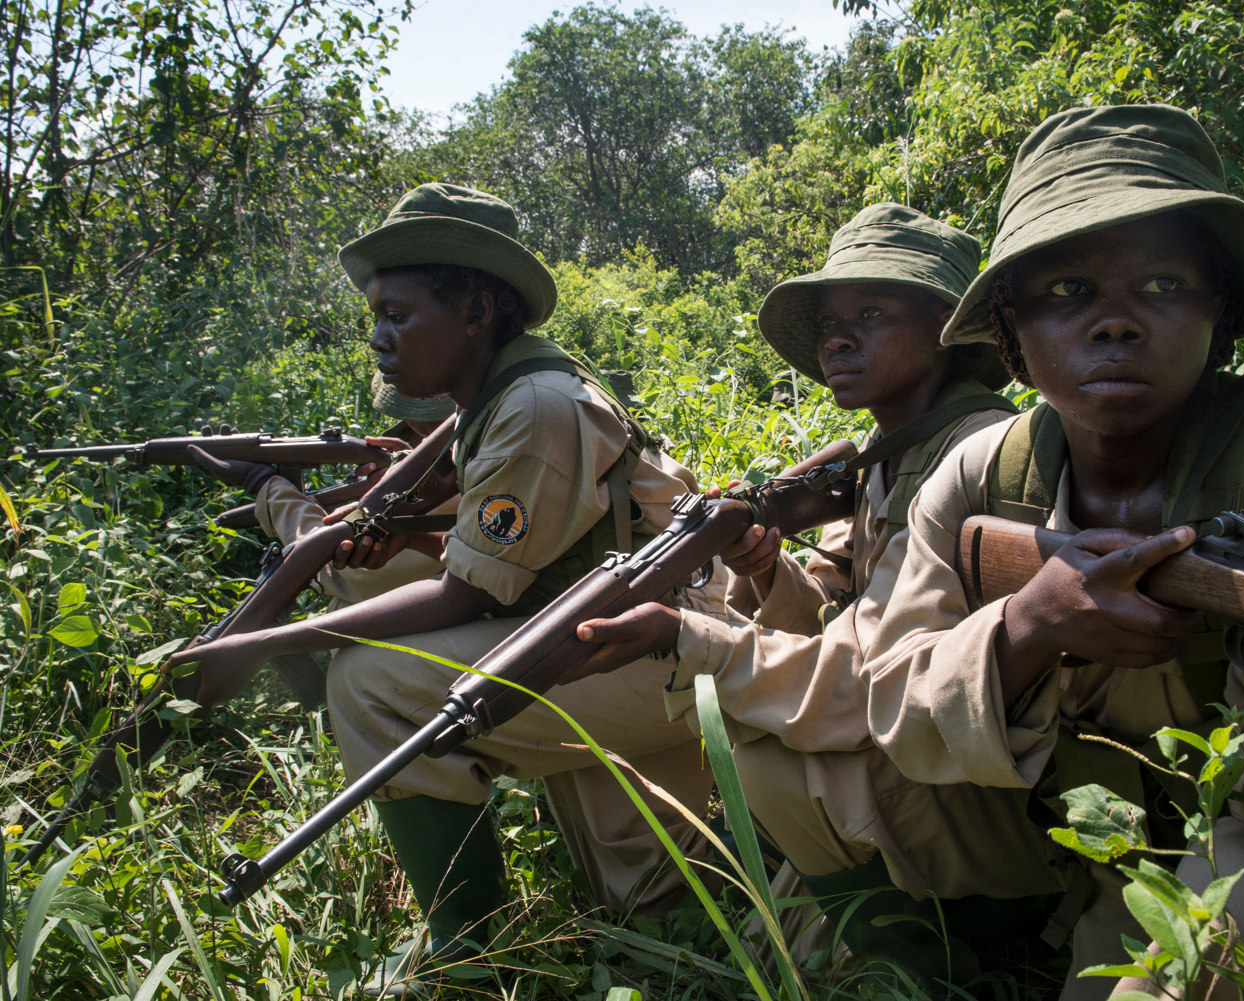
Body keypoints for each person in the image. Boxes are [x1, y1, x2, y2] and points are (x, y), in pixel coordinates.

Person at [851, 103, 1244, 998]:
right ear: (1009, 324)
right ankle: (910, 948)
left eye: (1161, 286)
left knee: (1224, 925)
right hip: (1067, 829)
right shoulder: (979, 475)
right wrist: (1029, 624)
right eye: (1068, 291)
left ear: (1219, 308)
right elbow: (894, 696)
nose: (1114, 322)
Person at [168, 183, 718, 995]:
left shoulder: (534, 405)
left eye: (399, 314)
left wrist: (261, 641)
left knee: (371, 683)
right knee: (640, 896)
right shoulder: (494, 396)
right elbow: (441, 547)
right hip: (601, 620)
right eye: (375, 319)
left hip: (666, 647)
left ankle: (468, 956)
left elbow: (461, 595)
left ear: (476, 310)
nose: (380, 339)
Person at [576, 203, 1060, 982]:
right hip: (934, 750)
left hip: (1009, 788)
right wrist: (766, 565)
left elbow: (858, 679)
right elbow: (838, 615)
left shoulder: (970, 454)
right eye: (832, 320)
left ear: (947, 325)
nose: (838, 337)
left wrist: (687, 638)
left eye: (871, 313)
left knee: (767, 750)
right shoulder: (887, 454)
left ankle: (933, 962)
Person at [188, 375, 457, 608]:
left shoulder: (461, 480)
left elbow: (343, 569)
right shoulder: (471, 447)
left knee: (346, 608)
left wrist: (263, 482)